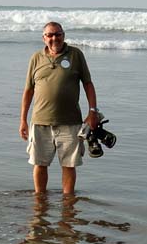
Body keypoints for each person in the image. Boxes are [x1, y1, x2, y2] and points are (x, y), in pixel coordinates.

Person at [19, 22, 99, 195]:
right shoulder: (36, 58)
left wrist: (92, 111)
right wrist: (23, 121)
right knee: (39, 164)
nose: (54, 38)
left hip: (70, 122)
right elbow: (28, 90)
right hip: (40, 121)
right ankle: (40, 199)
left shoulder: (75, 55)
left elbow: (88, 84)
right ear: (44, 38)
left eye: (58, 34)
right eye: (50, 35)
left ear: (64, 35)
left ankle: (68, 202)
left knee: (69, 165)